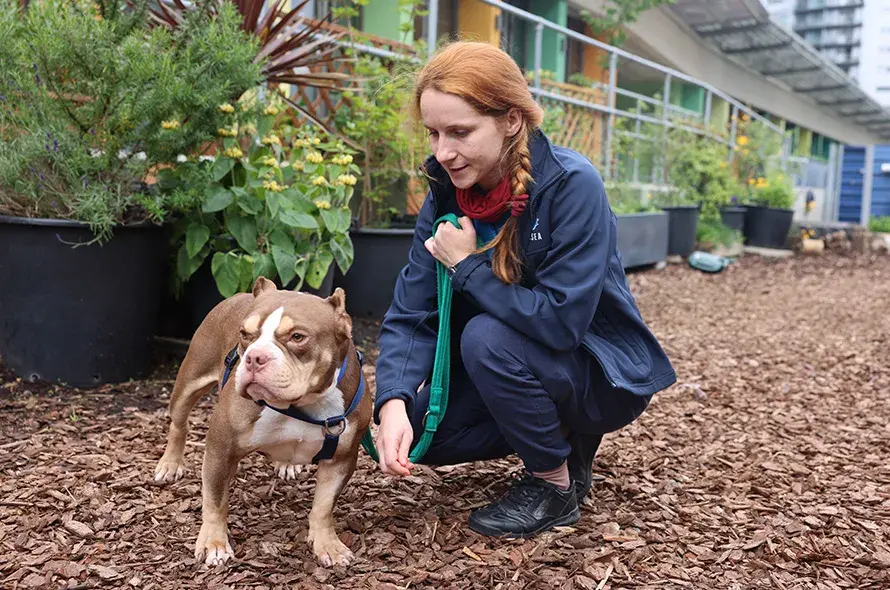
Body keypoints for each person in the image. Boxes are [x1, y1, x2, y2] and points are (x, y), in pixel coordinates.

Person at [372, 41, 676, 538]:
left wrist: (467, 266)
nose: (443, 152)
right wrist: (393, 402)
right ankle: (556, 434)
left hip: (597, 373)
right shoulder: (446, 193)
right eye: (434, 133)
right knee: (427, 435)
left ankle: (553, 486)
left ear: (512, 120)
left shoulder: (572, 185)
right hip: (513, 363)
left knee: (487, 338)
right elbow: (412, 311)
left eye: (460, 132)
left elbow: (561, 322)